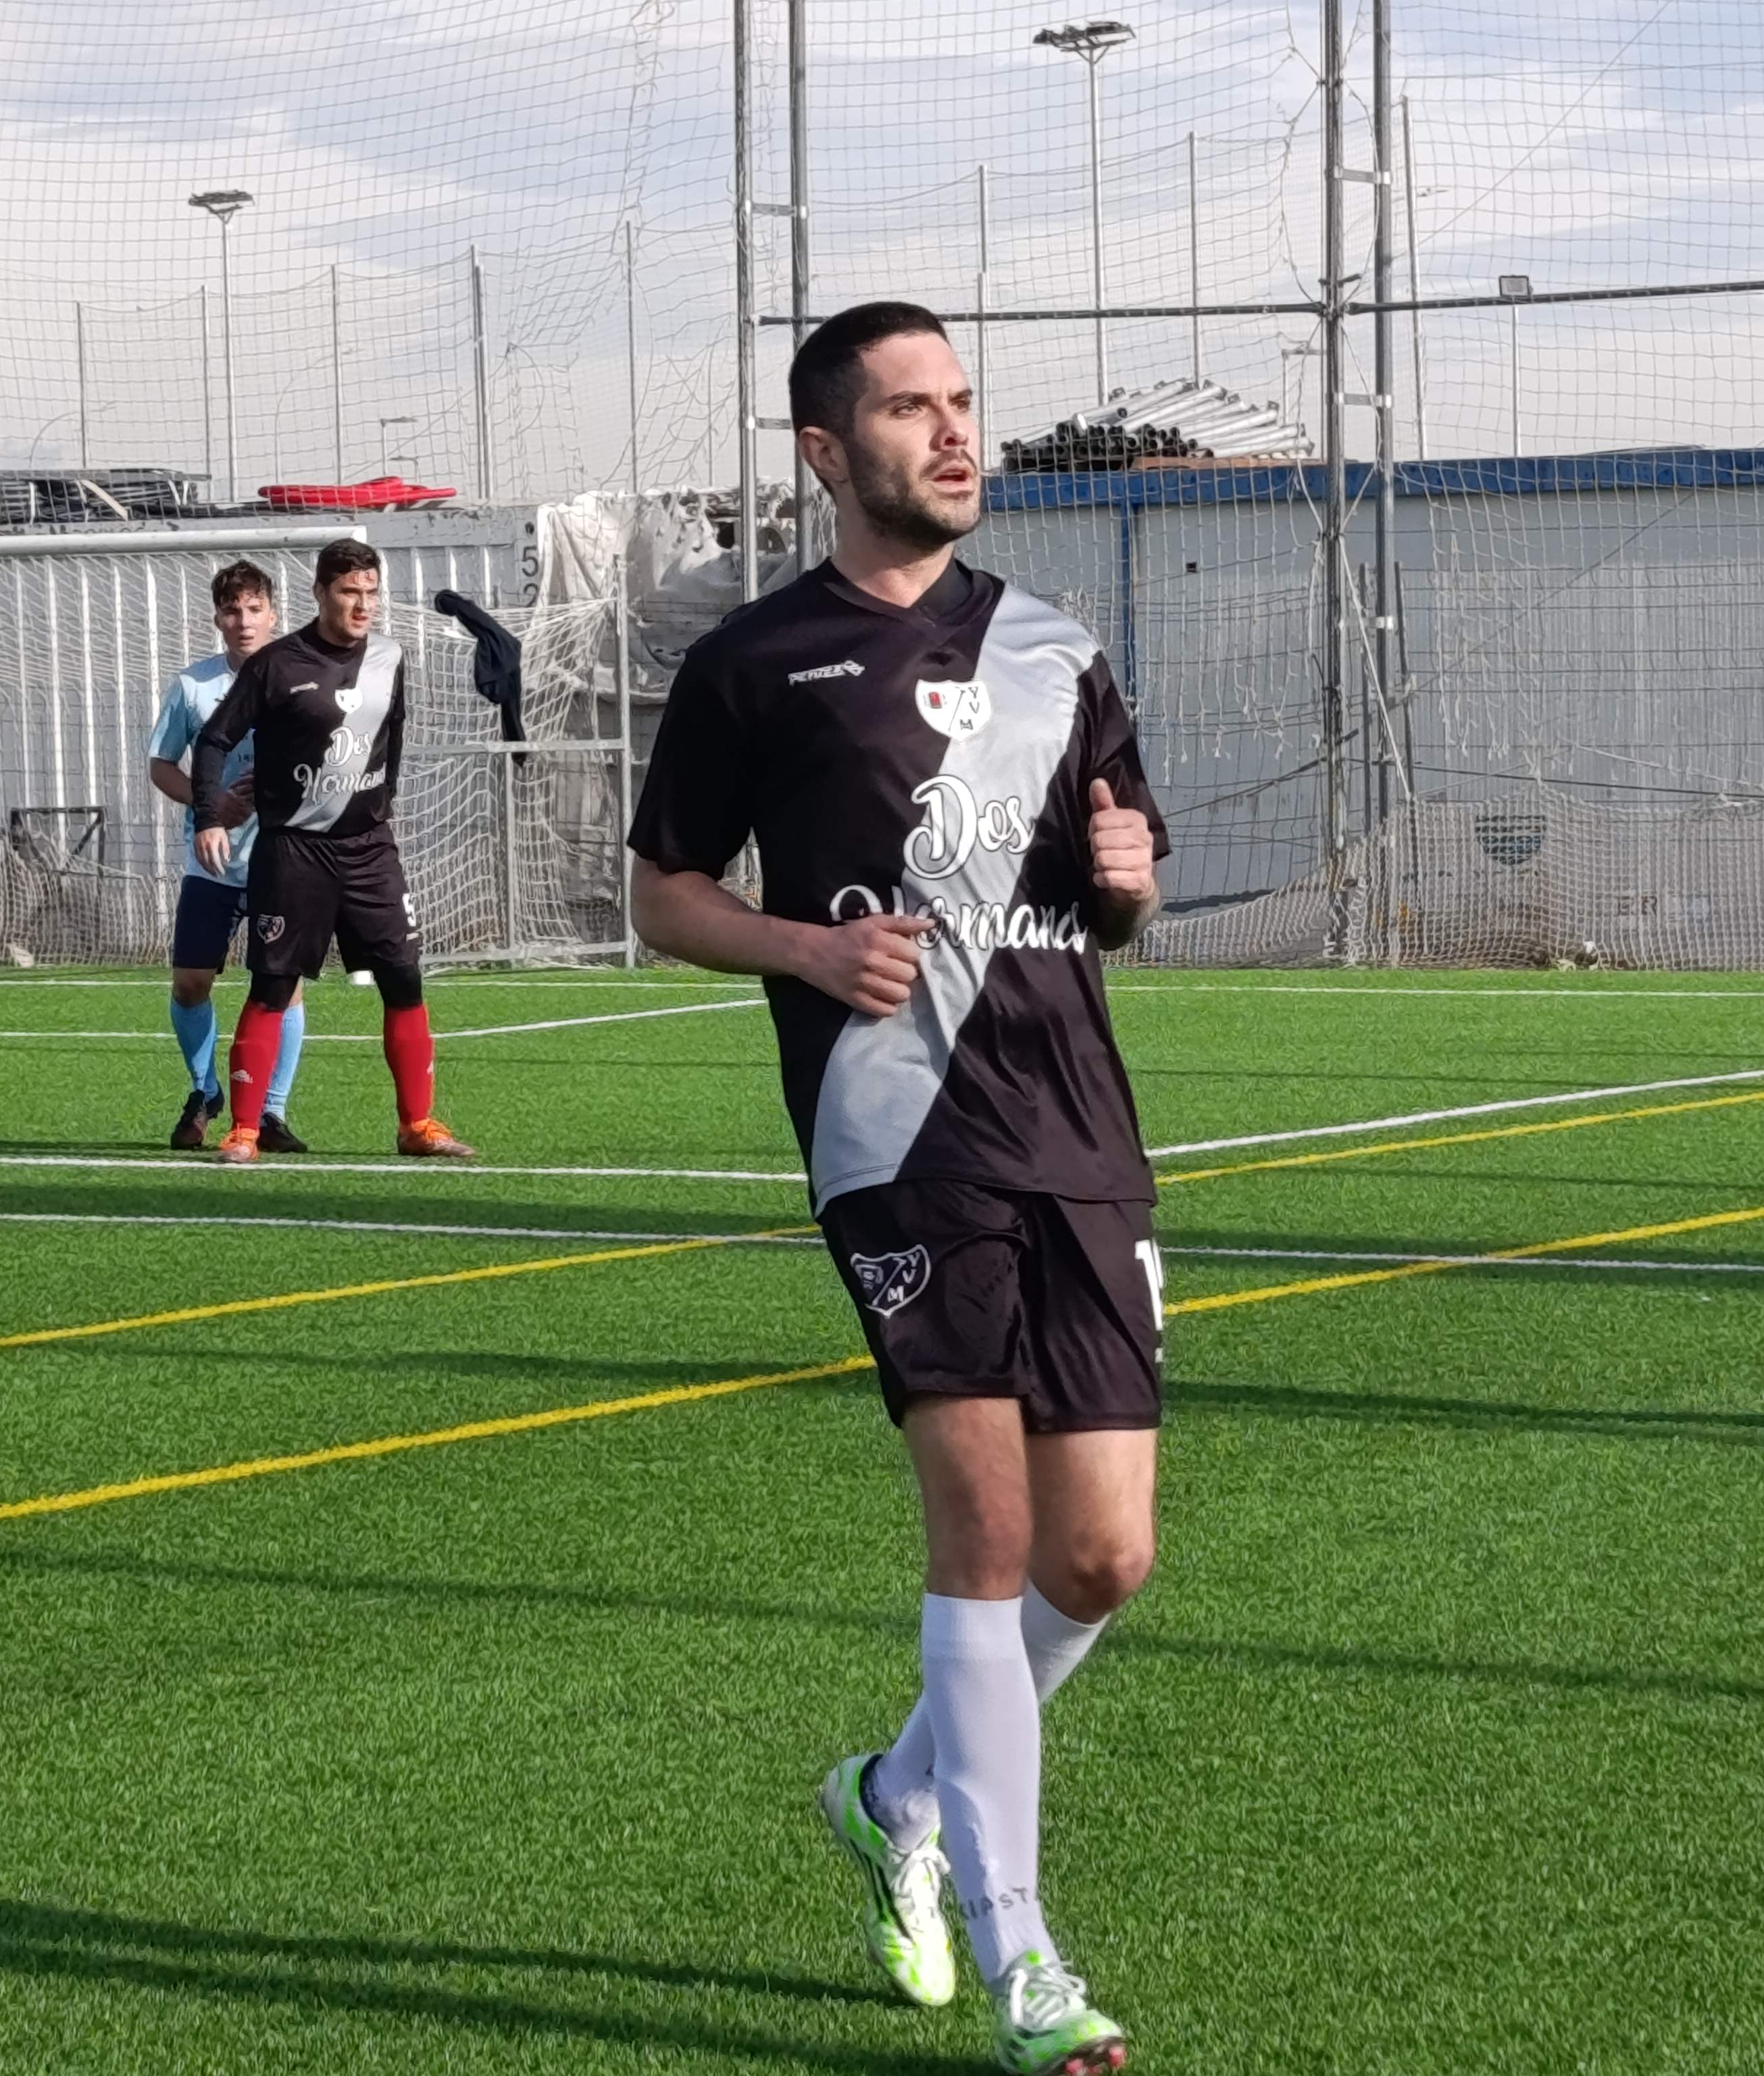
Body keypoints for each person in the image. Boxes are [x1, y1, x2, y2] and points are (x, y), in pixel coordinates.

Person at [628, 301, 1163, 2076]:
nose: (952, 433)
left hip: (1079, 1130)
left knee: (1104, 1556)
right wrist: (802, 946)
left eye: (962, 401)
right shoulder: (754, 663)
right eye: (910, 407)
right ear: (824, 448)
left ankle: (895, 1796)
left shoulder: (1059, 647)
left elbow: (1119, 899)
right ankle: (1027, 1961)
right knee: (988, 1539)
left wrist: (1129, 877)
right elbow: (662, 893)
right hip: (897, 1138)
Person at [188, 539, 474, 1164]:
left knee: (404, 979)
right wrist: (210, 817)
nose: (363, 605)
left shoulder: (391, 657)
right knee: (273, 986)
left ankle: (417, 1126)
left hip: (369, 850)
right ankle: (245, 1131)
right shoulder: (276, 665)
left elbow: (393, 735)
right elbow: (213, 742)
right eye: (350, 592)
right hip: (294, 852)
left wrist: (379, 807)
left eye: (371, 593)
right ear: (320, 593)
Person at [146, 561, 308, 1152]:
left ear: (273, 614)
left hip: (283, 857)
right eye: (232, 610)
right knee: (191, 982)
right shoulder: (194, 686)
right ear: (217, 618)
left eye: (254, 609)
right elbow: (161, 766)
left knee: (283, 985)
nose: (244, 621)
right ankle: (205, 1090)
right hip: (211, 862)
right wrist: (209, 805)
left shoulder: (300, 681)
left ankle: (271, 1111)